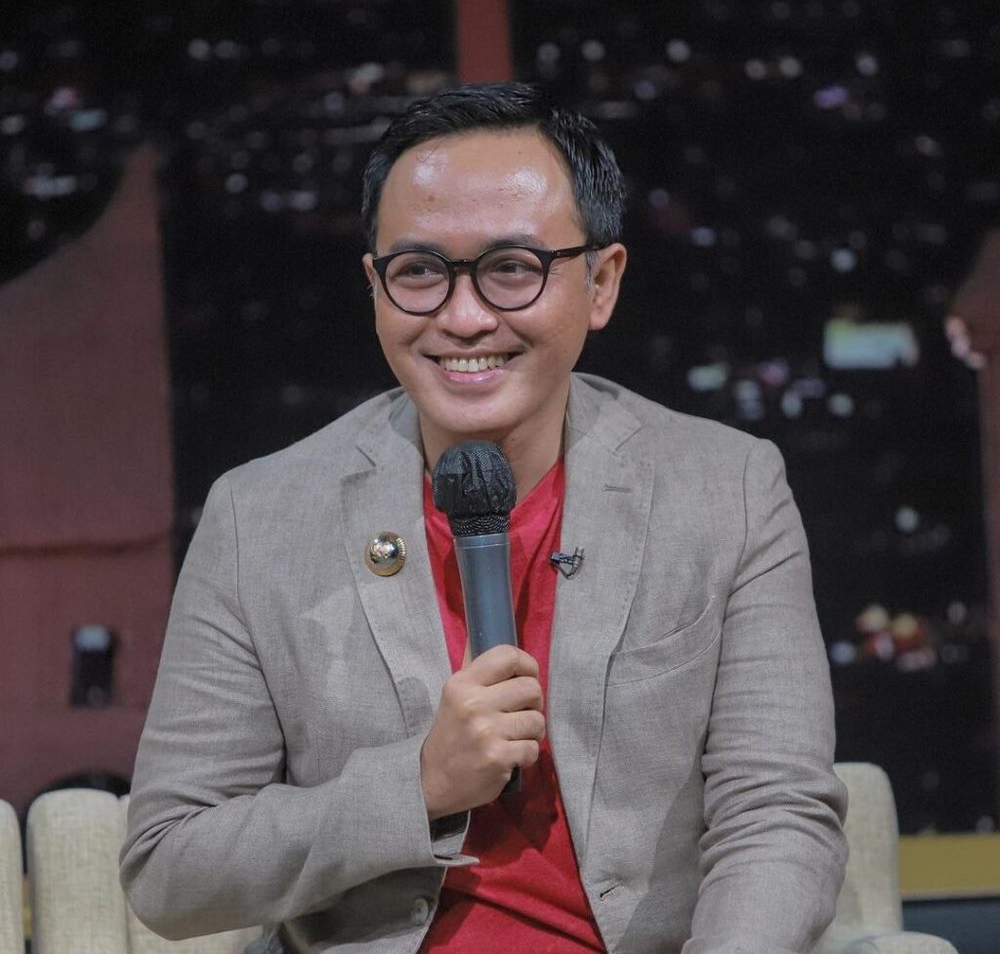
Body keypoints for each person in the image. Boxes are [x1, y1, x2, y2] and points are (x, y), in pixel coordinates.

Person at [121, 82, 847, 953]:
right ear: (375, 287)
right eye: (419, 272)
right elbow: (170, 868)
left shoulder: (726, 488)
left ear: (602, 282)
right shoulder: (260, 517)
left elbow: (778, 815)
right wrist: (417, 786)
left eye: (511, 268)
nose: (464, 319)